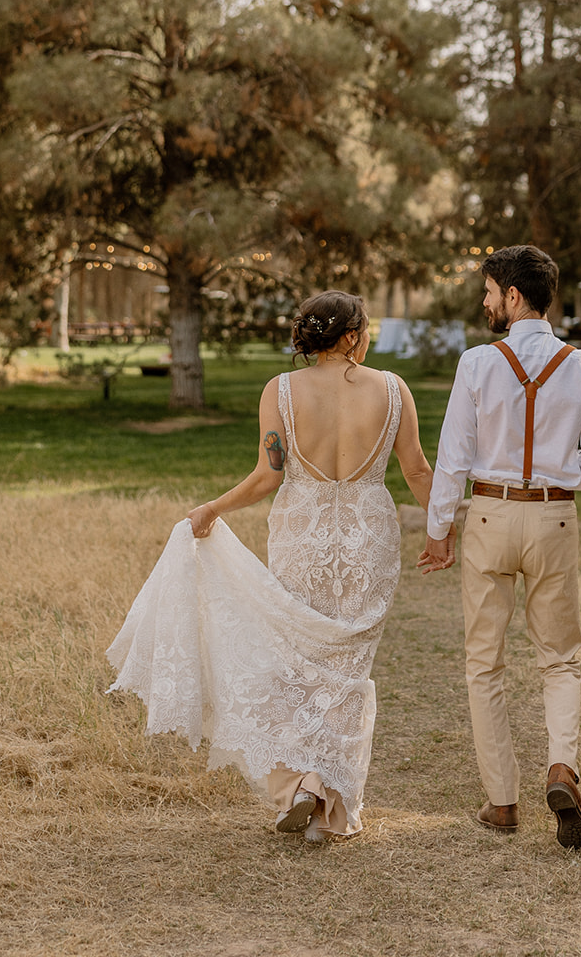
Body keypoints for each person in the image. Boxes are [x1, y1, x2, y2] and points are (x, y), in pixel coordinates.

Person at [107, 289, 434, 841]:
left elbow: (268, 475)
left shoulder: (281, 391)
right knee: (348, 668)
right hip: (366, 538)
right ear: (352, 335)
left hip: (301, 534)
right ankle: (327, 805)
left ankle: (303, 784)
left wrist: (212, 508)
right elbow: (418, 471)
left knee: (299, 661)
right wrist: (443, 530)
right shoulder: (393, 390)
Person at [419, 244, 581, 849]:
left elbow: (452, 459)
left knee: (486, 661)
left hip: (488, 517)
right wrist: (561, 473)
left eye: (488, 291)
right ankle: (561, 768)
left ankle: (502, 801)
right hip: (554, 518)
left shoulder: (477, 364)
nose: (484, 302)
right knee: (559, 658)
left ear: (512, 296)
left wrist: (438, 531)